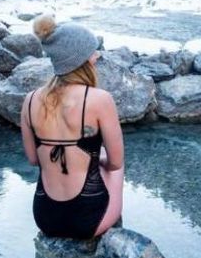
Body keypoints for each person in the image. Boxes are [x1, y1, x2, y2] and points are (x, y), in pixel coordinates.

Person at [21, 14, 124, 239]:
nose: (97, 56)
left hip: (45, 218)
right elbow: (116, 163)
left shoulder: (30, 100)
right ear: (79, 59)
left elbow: (33, 159)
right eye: (92, 51)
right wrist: (99, 161)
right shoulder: (100, 99)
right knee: (114, 165)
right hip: (88, 221)